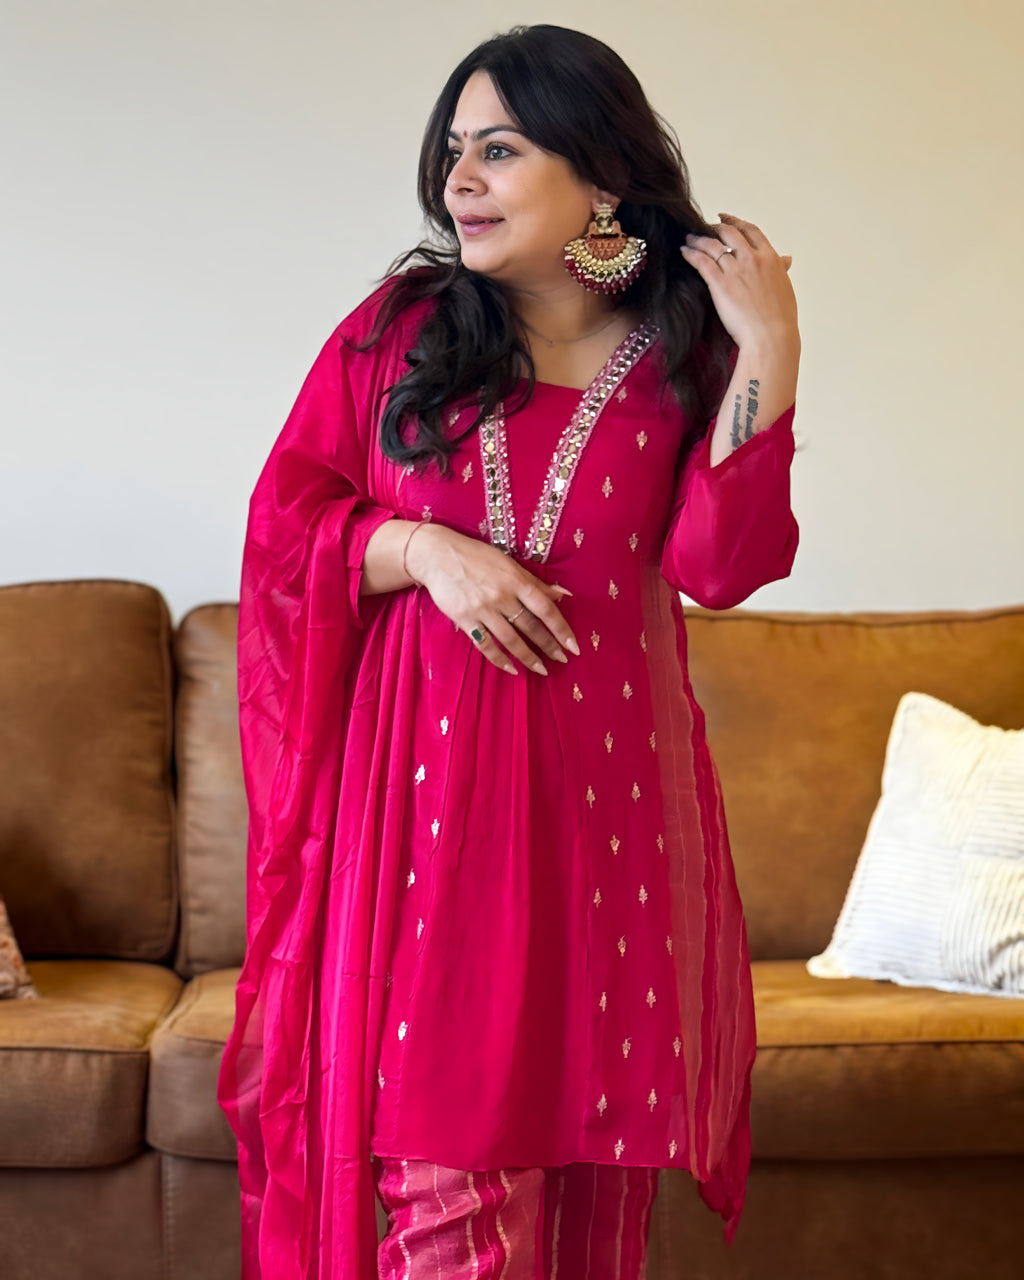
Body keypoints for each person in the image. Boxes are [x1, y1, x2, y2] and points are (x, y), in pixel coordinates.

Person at [218, 22, 800, 1280]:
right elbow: (286, 527)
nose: (459, 180)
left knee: (594, 1223)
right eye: (453, 151)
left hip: (612, 835)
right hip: (429, 840)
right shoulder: (400, 332)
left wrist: (769, 348)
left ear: (601, 176)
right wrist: (425, 549)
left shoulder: (685, 350)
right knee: (447, 1219)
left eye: (499, 149)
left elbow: (720, 564)